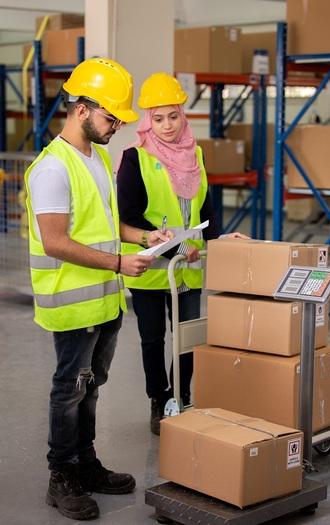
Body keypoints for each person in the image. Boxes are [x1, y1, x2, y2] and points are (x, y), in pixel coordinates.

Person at [24, 58, 171, 521]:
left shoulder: (98, 157)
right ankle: (61, 475)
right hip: (73, 305)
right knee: (69, 388)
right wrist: (121, 263)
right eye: (111, 118)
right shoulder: (52, 168)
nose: (116, 128)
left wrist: (143, 237)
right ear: (82, 108)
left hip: (105, 300)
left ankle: (86, 464)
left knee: (92, 386)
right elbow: (56, 240)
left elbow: (105, 226)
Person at [116, 72, 249, 436]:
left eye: (173, 116)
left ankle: (182, 395)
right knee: (153, 338)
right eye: (158, 118)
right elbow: (127, 215)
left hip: (186, 267)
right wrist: (178, 245)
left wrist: (220, 238)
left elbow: (204, 210)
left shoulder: (197, 154)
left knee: (187, 336)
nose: (167, 125)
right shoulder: (135, 158)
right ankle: (158, 401)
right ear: (148, 120)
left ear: (183, 114)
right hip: (150, 266)